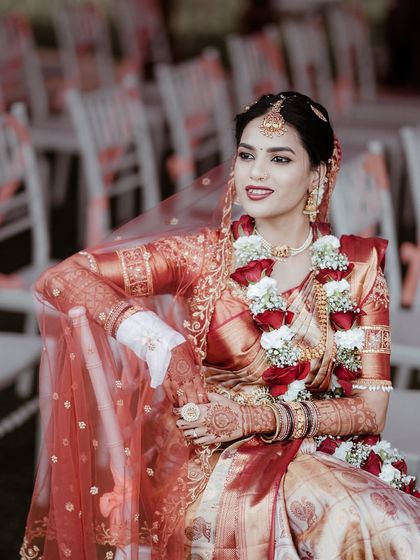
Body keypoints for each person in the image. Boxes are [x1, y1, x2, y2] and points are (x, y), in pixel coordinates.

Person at [21, 92, 420, 559]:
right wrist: (158, 340)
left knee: (394, 527)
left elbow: (370, 411)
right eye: (247, 155)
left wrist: (255, 418)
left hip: (313, 446)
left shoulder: (357, 266)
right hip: (213, 463)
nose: (257, 172)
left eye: (280, 158)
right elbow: (62, 277)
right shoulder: (202, 256)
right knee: (365, 522)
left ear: (318, 172)